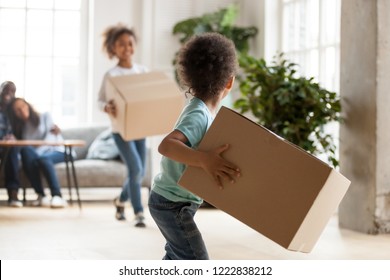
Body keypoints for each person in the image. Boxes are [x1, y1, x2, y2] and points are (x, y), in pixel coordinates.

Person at [148, 33, 241, 260]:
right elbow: (167, 145)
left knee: (176, 256)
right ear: (229, 81)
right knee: (197, 260)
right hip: (171, 204)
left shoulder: (205, 113)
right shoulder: (198, 114)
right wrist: (204, 159)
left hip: (176, 201)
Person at [98, 24, 147, 227]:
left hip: (141, 129)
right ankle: (139, 213)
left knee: (139, 172)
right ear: (113, 49)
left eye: (130, 43)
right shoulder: (112, 75)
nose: (126, 47)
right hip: (120, 131)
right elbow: (100, 101)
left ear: (134, 45)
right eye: (121, 44)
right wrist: (106, 107)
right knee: (135, 169)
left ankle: (120, 201)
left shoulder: (143, 71)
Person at [6, 98, 67, 208]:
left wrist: (37, 155)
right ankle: (41, 195)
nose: (22, 110)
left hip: (58, 151)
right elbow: (26, 149)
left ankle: (57, 196)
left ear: (28, 105)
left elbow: (51, 139)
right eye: (18, 110)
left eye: (23, 106)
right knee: (25, 150)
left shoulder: (45, 116)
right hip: (38, 156)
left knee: (43, 159)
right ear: (14, 114)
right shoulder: (22, 128)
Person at [0, 81, 22, 207]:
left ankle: (13, 194)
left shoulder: (14, 110)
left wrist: (13, 137)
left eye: (12, 91)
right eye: (5, 90)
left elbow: (22, 130)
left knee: (12, 149)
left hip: (7, 145)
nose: (8, 94)